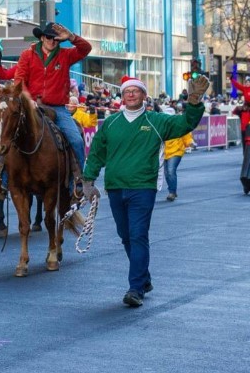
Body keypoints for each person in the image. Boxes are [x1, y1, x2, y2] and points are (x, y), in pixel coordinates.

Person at [82, 74, 209, 308]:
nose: (130, 94)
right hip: (116, 187)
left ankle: (136, 288)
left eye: (136, 91)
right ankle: (144, 277)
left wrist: (193, 102)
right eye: (126, 91)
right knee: (126, 236)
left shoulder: (157, 120)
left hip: (143, 187)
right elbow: (97, 153)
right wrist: (88, 181)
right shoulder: (110, 123)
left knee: (138, 234)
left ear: (144, 96)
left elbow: (185, 124)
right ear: (121, 95)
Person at [11, 22, 91, 174]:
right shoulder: (27, 55)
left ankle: (81, 180)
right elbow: (19, 81)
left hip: (57, 108)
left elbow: (86, 49)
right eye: (49, 37)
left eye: (57, 38)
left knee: (77, 140)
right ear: (42, 38)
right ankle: (0, 179)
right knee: (5, 135)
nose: (52, 41)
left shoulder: (66, 55)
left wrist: (71, 37)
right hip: (31, 106)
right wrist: (28, 100)